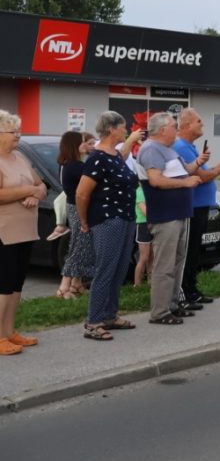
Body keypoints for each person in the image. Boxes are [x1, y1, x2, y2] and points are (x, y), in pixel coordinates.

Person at [75, 111, 141, 341]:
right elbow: (82, 193)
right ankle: (93, 321)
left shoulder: (114, 154)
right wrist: (84, 221)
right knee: (105, 269)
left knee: (120, 269)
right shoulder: (98, 157)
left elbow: (122, 157)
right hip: (107, 219)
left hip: (125, 217)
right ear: (112, 129)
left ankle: (110, 315)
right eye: (123, 127)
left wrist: (130, 143)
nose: (125, 131)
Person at [137, 112, 204, 326]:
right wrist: (185, 184)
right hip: (165, 215)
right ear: (162, 129)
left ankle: (173, 304)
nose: (177, 129)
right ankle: (159, 311)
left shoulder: (169, 149)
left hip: (180, 213)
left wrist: (199, 162)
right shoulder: (150, 149)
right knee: (164, 265)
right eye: (174, 126)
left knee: (176, 262)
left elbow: (186, 170)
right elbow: (156, 180)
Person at [173, 108, 220, 305]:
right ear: (188, 124)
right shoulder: (182, 146)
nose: (202, 124)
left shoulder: (190, 147)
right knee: (189, 251)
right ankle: (185, 291)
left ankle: (191, 289)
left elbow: (202, 172)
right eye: (199, 121)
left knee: (194, 251)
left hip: (200, 206)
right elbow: (200, 176)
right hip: (193, 206)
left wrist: (214, 168)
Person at [0, 110, 47, 355]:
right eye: (13, 131)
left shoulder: (19, 157)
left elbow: (41, 185)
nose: (18, 136)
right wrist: (27, 190)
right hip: (4, 231)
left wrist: (35, 192)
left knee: (17, 284)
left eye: (19, 131)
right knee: (4, 285)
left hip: (26, 230)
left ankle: (9, 331)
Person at [56, 131, 97, 299]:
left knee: (82, 244)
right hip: (78, 208)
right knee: (78, 246)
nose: (86, 145)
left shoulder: (69, 164)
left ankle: (76, 283)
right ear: (74, 145)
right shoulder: (76, 167)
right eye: (82, 142)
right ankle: (64, 286)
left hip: (74, 207)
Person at [133, 184, 152, 287]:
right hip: (143, 225)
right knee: (144, 257)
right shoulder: (139, 191)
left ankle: (150, 281)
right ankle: (137, 284)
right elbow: (145, 211)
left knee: (152, 256)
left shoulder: (149, 190)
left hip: (152, 223)